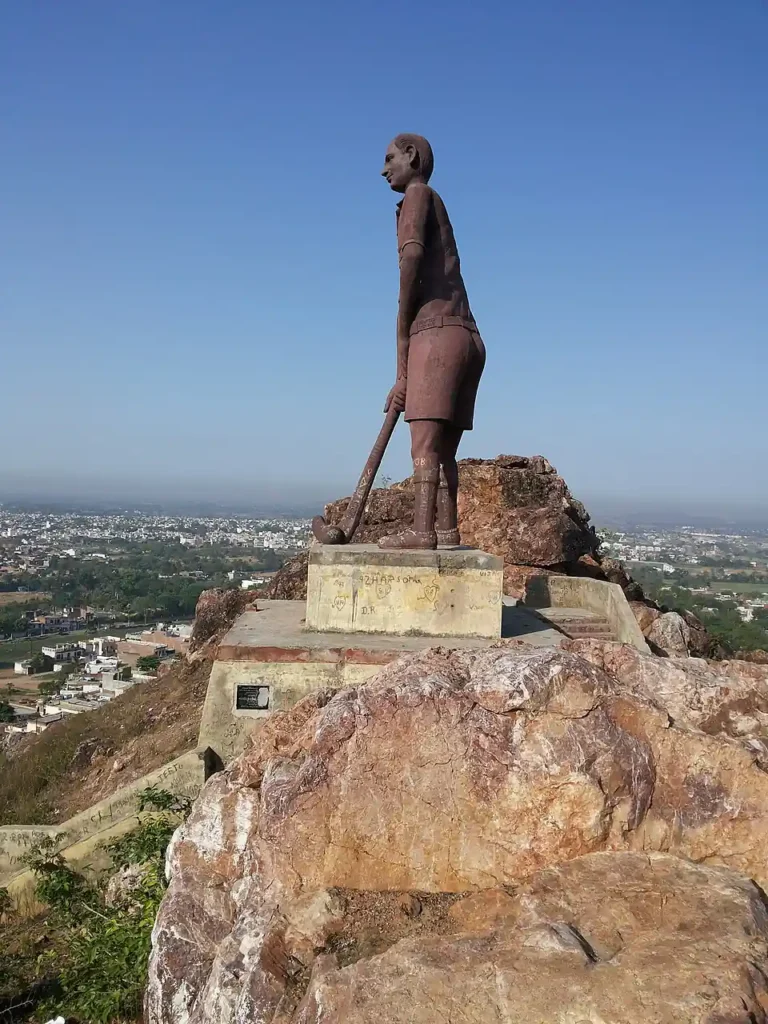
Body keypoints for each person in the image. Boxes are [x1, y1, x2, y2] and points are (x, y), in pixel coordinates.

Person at [379, 133, 485, 550]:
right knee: (443, 451)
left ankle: (423, 533)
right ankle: (447, 530)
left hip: (436, 334)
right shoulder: (435, 201)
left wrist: (403, 347)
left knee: (423, 442)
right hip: (468, 338)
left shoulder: (419, 195)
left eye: (390, 158)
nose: (384, 168)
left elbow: (411, 262)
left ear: (412, 156)